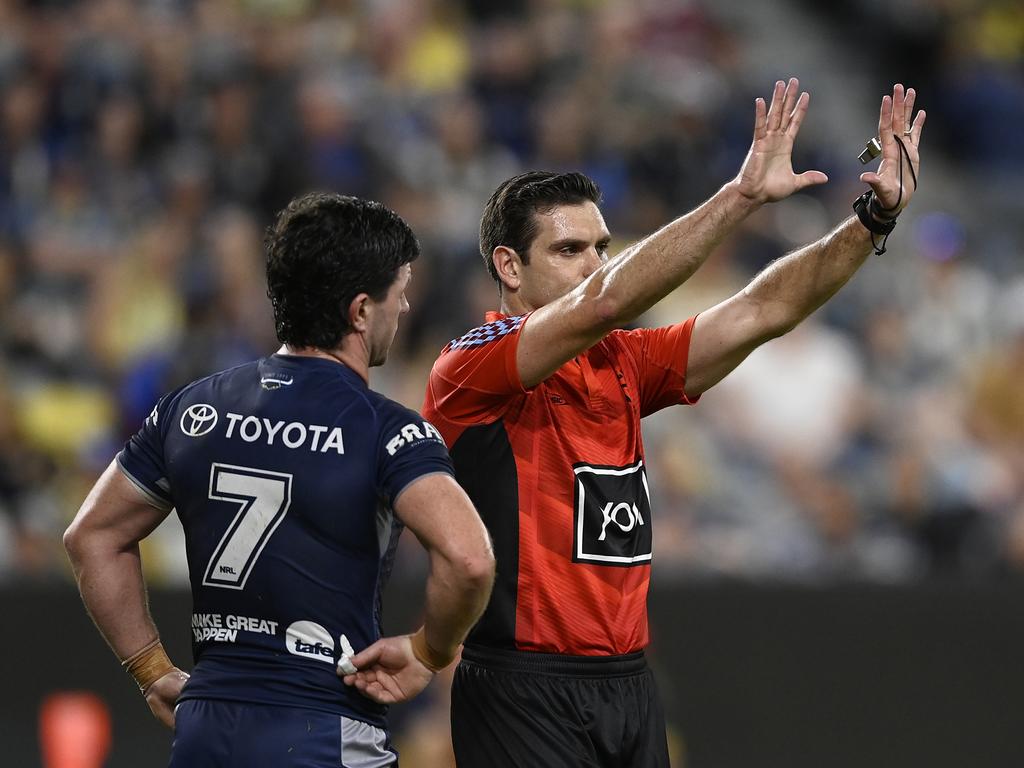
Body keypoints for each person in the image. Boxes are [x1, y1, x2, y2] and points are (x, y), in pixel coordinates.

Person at [413, 79, 924, 766]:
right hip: (522, 682)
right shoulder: (470, 370)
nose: (595, 264)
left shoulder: (623, 360)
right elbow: (607, 300)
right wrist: (741, 195)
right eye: (570, 251)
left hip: (628, 682)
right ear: (508, 266)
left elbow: (760, 310)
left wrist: (872, 220)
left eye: (601, 246)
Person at [63, 192, 495, 767]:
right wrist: (427, 651)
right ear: (361, 311)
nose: (408, 305)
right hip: (323, 730)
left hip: (205, 731)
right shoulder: (385, 430)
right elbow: (470, 560)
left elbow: (90, 537)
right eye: (401, 289)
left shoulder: (192, 407)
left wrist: (150, 670)